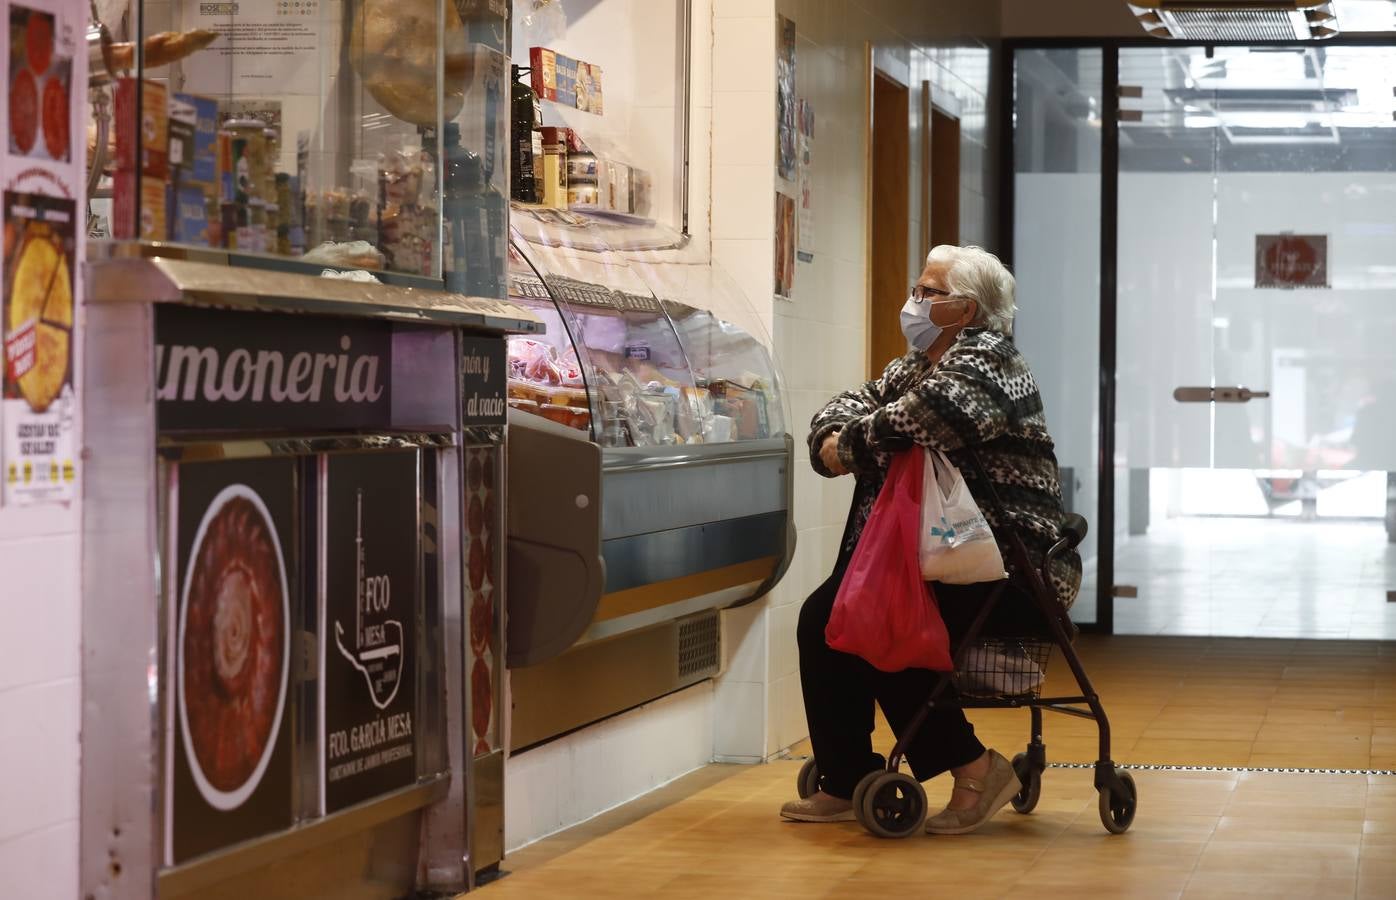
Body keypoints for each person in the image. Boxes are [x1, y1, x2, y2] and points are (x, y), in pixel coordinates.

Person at [780, 244, 1081, 835]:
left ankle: (977, 768)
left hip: (1007, 565)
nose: (914, 301)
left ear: (965, 310)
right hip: (936, 560)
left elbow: (926, 418)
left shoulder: (990, 362)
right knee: (822, 619)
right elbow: (846, 406)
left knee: (880, 621)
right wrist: (835, 435)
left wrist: (847, 445)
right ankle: (846, 777)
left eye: (929, 291)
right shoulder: (913, 365)